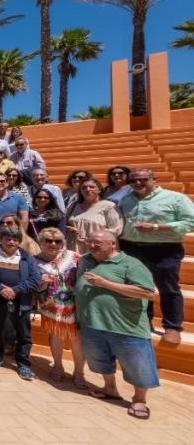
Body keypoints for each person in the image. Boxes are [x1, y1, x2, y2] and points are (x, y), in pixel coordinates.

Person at [76, 231, 159, 419]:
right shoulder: (86, 260)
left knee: (137, 365)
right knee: (99, 359)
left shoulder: (131, 264)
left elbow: (147, 293)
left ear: (113, 244)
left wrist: (105, 284)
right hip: (92, 323)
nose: (92, 245)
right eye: (89, 241)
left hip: (125, 326)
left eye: (97, 242)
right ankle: (110, 388)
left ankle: (140, 400)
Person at [117, 168, 194, 345]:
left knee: (168, 288)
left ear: (154, 180)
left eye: (143, 179)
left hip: (164, 249)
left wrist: (157, 227)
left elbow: (191, 222)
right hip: (132, 248)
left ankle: (172, 327)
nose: (138, 183)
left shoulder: (175, 198)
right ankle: (144, 322)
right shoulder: (126, 199)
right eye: (134, 181)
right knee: (139, 287)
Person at [0, 227, 41, 380]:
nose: (11, 242)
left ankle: (23, 363)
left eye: (15, 239)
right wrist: (0, 288)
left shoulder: (27, 258)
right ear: (2, 239)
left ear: (19, 241)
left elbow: (35, 279)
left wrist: (15, 290)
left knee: (23, 334)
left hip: (21, 301)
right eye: (7, 238)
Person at [35, 227, 86, 389]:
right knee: (55, 335)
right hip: (50, 305)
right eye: (48, 241)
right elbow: (30, 284)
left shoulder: (72, 256)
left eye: (57, 241)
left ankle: (79, 372)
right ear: (41, 242)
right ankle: (58, 366)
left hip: (74, 304)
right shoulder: (34, 260)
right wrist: (40, 282)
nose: (53, 244)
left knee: (77, 339)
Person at [64, 178, 123, 253]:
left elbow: (117, 229)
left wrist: (94, 236)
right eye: (84, 188)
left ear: (99, 190)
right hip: (75, 247)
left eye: (92, 187)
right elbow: (64, 223)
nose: (87, 189)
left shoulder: (108, 206)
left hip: (99, 248)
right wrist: (68, 228)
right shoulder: (73, 205)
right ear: (81, 191)